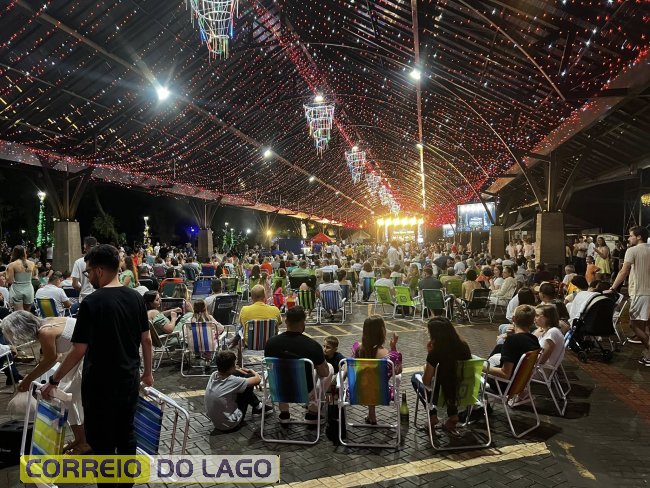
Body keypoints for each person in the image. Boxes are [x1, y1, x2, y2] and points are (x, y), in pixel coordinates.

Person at [40, 244, 153, 483]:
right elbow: (147, 340)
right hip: (129, 379)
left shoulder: (92, 302)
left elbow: (78, 349)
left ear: (100, 270)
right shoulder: (136, 297)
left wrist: (54, 380)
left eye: (89, 271)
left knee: (101, 440)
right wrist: (148, 373)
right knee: (126, 433)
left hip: (100, 384)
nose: (88, 276)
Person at [2, 311, 89, 454]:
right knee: (66, 397)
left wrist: (28, 379)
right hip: (81, 358)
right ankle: (80, 438)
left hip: (85, 360)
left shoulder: (45, 332)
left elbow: (50, 359)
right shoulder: (48, 321)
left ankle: (84, 441)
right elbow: (55, 355)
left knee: (68, 398)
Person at [264, 306, 334, 425]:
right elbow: (324, 373)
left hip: (279, 389)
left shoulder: (271, 343)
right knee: (329, 368)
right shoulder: (312, 345)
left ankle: (284, 412)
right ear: (303, 323)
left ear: (286, 321)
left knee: (279, 372)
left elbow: (269, 366)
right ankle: (313, 412)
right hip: (304, 391)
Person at [411, 317, 471, 434]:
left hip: (440, 395)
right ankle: (453, 415)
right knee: (449, 382)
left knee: (415, 378)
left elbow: (426, 381)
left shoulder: (436, 352)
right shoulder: (464, 346)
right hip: (462, 391)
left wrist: (428, 359)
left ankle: (432, 415)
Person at [609, 226, 650, 366]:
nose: (629, 238)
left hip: (640, 292)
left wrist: (613, 288)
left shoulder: (632, 250)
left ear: (639, 237)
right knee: (648, 325)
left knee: (634, 324)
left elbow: (624, 271)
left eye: (631, 235)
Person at [351, 315, 402, 425]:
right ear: (382, 332)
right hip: (382, 394)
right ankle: (372, 415)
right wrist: (393, 348)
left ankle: (371, 414)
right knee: (375, 381)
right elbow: (398, 371)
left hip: (358, 392)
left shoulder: (356, 348)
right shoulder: (389, 356)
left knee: (368, 379)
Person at [204, 351, 272, 433]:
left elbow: (234, 371)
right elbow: (257, 379)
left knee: (243, 380)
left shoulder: (214, 375)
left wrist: (241, 371)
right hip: (231, 424)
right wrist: (251, 371)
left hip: (217, 423)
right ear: (231, 367)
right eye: (235, 364)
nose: (236, 366)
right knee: (248, 381)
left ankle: (258, 406)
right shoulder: (233, 381)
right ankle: (258, 406)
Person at [487, 305, 539, 386]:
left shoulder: (513, 340)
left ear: (514, 319)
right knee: (499, 347)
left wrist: (481, 367)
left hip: (501, 385)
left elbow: (505, 374)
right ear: (532, 321)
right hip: (519, 384)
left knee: (473, 362)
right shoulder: (534, 339)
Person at [5, 245, 37, 311]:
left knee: (19, 313)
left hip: (17, 289)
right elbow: (34, 276)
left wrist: (5, 274)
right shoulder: (32, 263)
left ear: (14, 253)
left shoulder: (12, 265)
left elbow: (10, 280)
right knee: (27, 312)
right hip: (29, 289)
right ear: (24, 253)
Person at [71, 236, 97, 302]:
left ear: (85, 247)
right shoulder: (103, 261)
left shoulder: (78, 262)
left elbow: (75, 284)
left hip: (84, 298)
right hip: (100, 297)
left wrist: (83, 289)